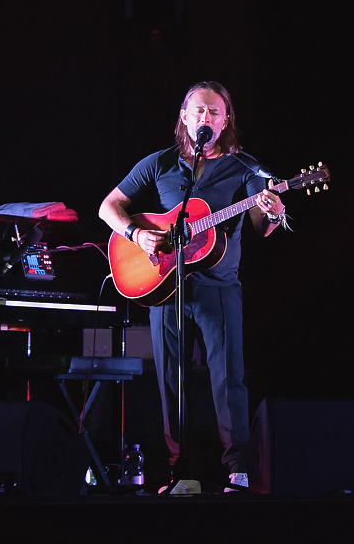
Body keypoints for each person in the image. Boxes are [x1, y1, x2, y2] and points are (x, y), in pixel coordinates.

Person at [99, 81, 286, 493]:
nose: (206, 118)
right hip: (165, 287)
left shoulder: (246, 168)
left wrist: (272, 211)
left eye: (214, 112)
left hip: (219, 287)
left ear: (226, 121)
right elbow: (108, 207)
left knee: (227, 378)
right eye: (198, 110)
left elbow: (262, 226)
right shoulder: (161, 162)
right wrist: (135, 234)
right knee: (170, 380)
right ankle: (179, 472)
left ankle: (237, 470)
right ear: (184, 117)